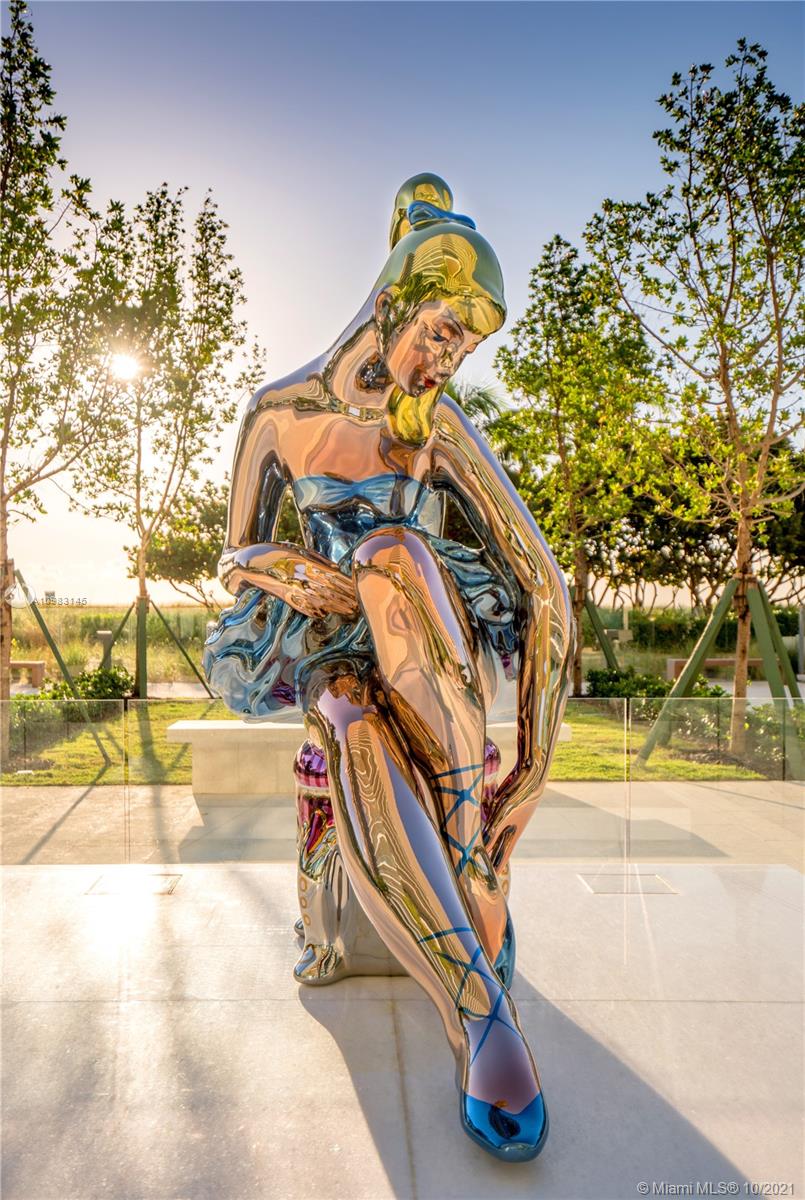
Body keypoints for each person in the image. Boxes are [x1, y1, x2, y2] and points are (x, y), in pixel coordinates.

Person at [204, 174, 574, 1161]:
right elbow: (232, 557)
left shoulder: (435, 428)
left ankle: (463, 852)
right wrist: (289, 571)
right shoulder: (277, 413)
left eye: (465, 348)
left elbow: (543, 587)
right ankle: (477, 1010)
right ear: (391, 301)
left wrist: (531, 775)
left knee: (392, 555)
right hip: (338, 655)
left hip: (430, 648)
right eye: (444, 331)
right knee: (345, 713)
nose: (448, 360)